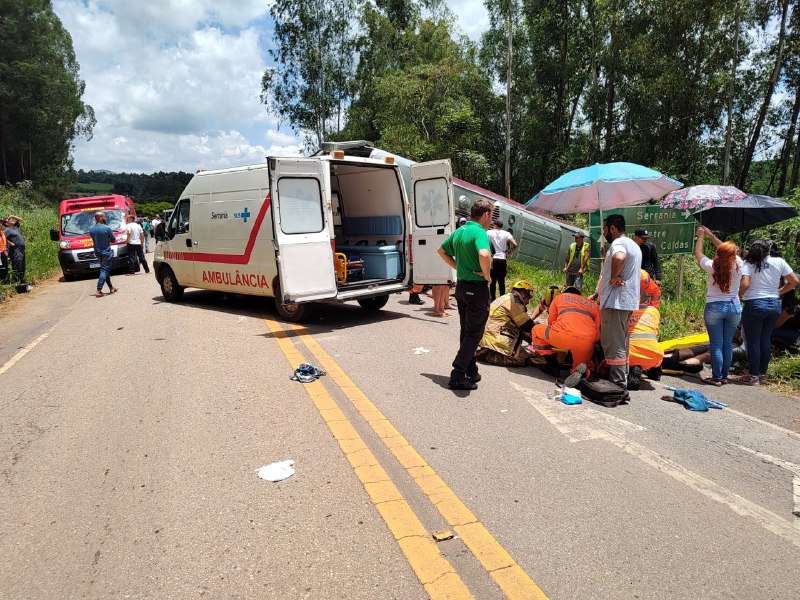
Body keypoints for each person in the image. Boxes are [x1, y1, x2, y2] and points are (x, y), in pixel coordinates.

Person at [437, 198, 494, 390]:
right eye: (491, 215)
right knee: (474, 334)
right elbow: (484, 254)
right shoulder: (479, 232)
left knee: (466, 331)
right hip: (476, 290)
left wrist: (458, 266)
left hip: (461, 289)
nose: (491, 219)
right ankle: (457, 375)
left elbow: (441, 251)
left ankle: (471, 370)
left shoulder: (460, 231)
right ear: (486, 214)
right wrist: (487, 275)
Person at [739, 239, 799, 385]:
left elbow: (745, 284)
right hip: (773, 304)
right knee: (765, 339)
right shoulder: (779, 261)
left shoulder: (748, 264)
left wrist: (737, 296)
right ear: (768, 250)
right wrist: (779, 291)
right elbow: (794, 281)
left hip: (754, 304)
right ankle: (762, 375)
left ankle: (753, 376)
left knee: (753, 341)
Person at [693, 226, 743, 386]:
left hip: (714, 307)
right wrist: (712, 235)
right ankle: (724, 376)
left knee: (716, 343)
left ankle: (716, 377)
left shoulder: (713, 265)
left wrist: (701, 236)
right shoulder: (739, 264)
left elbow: (698, 254)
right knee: (727, 343)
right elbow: (728, 251)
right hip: (734, 308)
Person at [598, 213, 641, 389]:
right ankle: (622, 377)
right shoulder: (634, 245)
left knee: (614, 343)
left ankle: (617, 383)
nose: (604, 232)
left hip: (615, 301)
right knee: (622, 342)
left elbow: (620, 257)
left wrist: (614, 277)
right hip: (627, 301)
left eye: (605, 229)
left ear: (613, 228)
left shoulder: (619, 243)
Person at [530, 285, 599, 385]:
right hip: (586, 341)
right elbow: (597, 333)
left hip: (563, 336)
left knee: (537, 329)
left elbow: (551, 322)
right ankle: (582, 371)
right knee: (580, 362)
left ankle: (551, 364)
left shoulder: (559, 298)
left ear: (565, 293)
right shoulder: (592, 304)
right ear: (580, 295)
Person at [476, 280, 537, 366]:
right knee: (524, 359)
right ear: (523, 293)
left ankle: (488, 352)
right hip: (497, 340)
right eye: (528, 298)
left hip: (487, 338)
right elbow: (526, 325)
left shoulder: (506, 298)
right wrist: (541, 331)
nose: (528, 302)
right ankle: (491, 356)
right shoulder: (515, 301)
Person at [89, 212, 118, 297]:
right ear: (101, 218)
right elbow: (113, 240)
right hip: (106, 252)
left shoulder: (91, 228)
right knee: (104, 270)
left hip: (97, 252)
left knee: (105, 270)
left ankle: (111, 287)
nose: (105, 218)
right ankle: (99, 290)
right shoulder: (107, 228)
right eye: (104, 217)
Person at [487, 219, 517, 300]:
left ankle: (493, 299)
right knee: (501, 281)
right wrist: (509, 251)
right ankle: (502, 299)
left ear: (495, 225)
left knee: (492, 281)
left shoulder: (489, 232)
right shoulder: (506, 233)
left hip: (493, 258)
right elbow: (514, 244)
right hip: (502, 259)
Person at [772, 288, 800, 354]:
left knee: (765, 333)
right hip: (795, 333)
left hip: (796, 335)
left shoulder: (790, 303)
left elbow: (776, 325)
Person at [4, 215, 27, 287]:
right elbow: (2, 238)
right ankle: (16, 282)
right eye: (9, 220)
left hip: (22, 250)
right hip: (16, 250)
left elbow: (21, 219)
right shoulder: (7, 230)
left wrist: (12, 216)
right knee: (17, 266)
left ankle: (21, 281)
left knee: (23, 266)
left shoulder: (15, 228)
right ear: (7, 224)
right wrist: (9, 242)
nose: (11, 220)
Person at [0, 217, 8, 282]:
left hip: (3, 252)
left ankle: (4, 282)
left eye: (0, 223)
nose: (0, 224)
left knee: (4, 268)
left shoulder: (1, 233)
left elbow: (4, 241)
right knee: (1, 268)